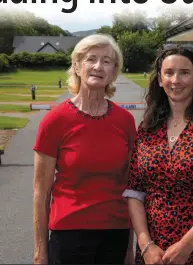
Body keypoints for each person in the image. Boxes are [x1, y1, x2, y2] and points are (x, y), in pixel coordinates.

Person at [123, 46, 193, 265]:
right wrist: (145, 245)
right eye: (169, 72)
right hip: (152, 254)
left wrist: (186, 246)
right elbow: (135, 192)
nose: (176, 80)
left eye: (184, 72)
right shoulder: (147, 128)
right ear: (159, 79)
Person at [33, 34, 136, 264]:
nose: (98, 66)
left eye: (107, 61)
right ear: (77, 66)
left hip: (115, 235)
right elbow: (41, 193)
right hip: (68, 236)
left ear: (113, 71)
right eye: (91, 59)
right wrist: (40, 252)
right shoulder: (54, 121)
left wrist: (130, 247)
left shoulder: (125, 121)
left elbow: (131, 188)